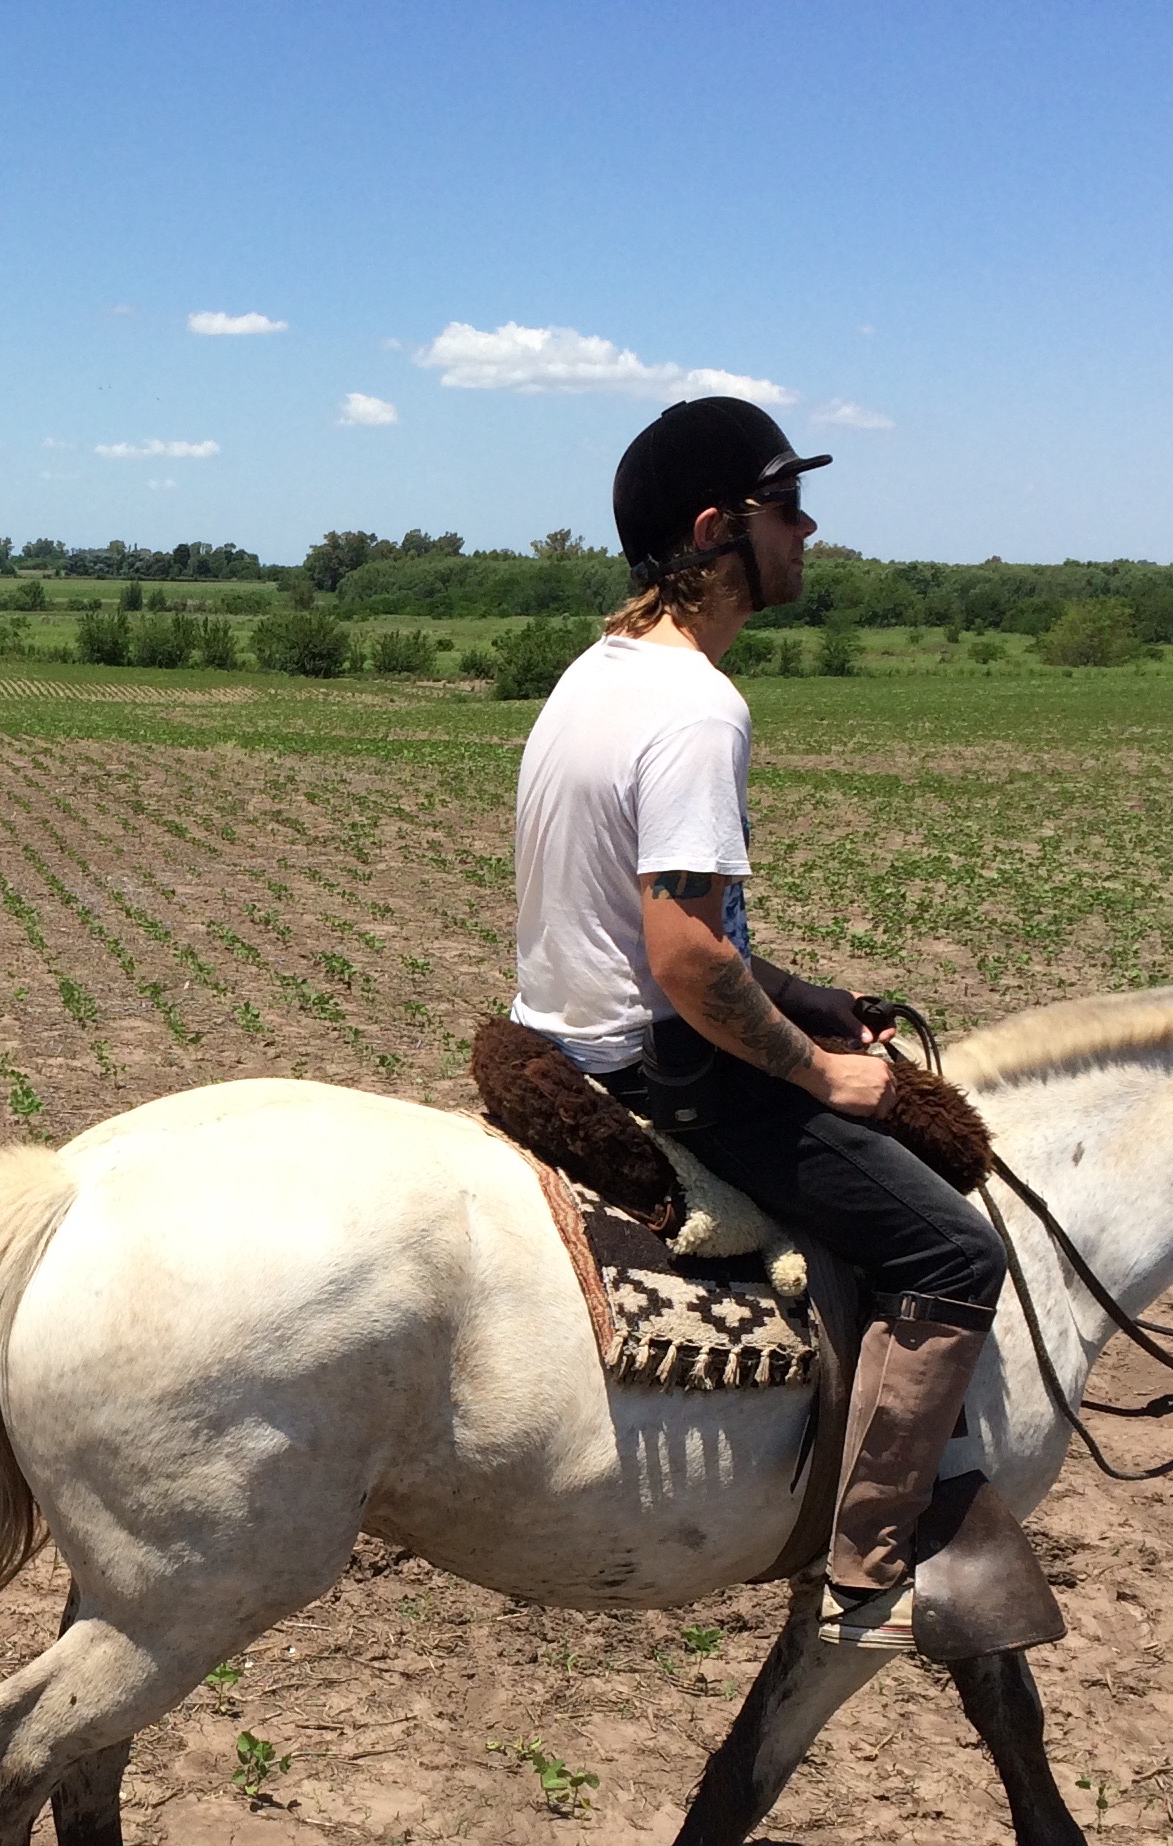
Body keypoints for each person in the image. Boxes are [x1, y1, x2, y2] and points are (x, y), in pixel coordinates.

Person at [508, 399, 1006, 1641]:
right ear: (717, 529)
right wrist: (828, 1073)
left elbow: (665, 929)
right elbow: (682, 962)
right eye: (788, 506)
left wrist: (799, 994)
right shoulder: (698, 709)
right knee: (956, 1252)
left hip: (557, 1032)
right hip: (659, 1064)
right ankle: (871, 1564)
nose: (811, 528)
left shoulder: (596, 676)